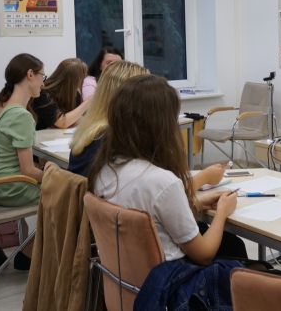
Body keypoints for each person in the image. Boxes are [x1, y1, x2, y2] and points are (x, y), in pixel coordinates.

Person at [88, 74, 244, 265]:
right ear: (162, 125)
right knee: (241, 255)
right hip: (170, 286)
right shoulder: (161, 181)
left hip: (127, 279)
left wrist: (196, 205)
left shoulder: (104, 170)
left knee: (232, 246)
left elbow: (149, 218)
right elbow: (204, 255)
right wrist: (222, 211)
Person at [0, 54, 47, 270]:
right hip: (15, 187)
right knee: (72, 194)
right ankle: (29, 253)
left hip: (2, 185)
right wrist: (60, 175)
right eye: (42, 76)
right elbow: (28, 171)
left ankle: (30, 251)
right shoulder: (21, 116)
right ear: (29, 75)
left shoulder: (2, 107)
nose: (43, 83)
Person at [31, 58, 92, 130]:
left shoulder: (74, 94)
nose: (81, 83)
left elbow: (76, 119)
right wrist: (88, 102)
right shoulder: (43, 95)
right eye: (81, 79)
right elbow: (62, 122)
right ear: (72, 81)